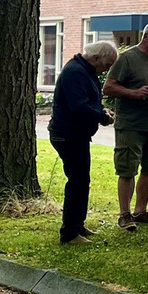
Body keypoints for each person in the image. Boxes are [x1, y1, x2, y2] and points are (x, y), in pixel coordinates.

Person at [103, 21, 148, 232]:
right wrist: (134, 93)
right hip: (131, 125)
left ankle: (140, 211)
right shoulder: (127, 58)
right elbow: (108, 87)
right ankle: (124, 215)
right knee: (127, 169)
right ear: (146, 38)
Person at [48, 41, 119, 244]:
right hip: (68, 134)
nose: (106, 70)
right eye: (106, 65)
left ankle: (77, 225)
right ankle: (69, 233)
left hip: (76, 134)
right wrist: (102, 116)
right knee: (77, 181)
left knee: (81, 181)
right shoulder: (75, 72)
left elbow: (90, 100)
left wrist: (101, 109)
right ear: (96, 58)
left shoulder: (85, 71)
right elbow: (78, 106)